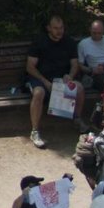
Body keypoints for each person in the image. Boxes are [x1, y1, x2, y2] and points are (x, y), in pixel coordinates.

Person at [26, 15, 85, 149]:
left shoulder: (69, 42)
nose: (59, 31)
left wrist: (70, 76)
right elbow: (30, 67)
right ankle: (35, 131)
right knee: (39, 93)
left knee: (79, 88)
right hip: (41, 78)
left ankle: (77, 119)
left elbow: (74, 64)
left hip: (61, 80)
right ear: (48, 28)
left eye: (61, 28)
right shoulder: (39, 42)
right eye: (56, 28)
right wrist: (45, 82)